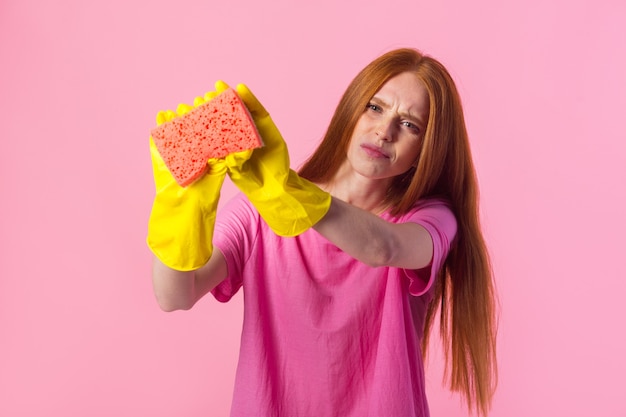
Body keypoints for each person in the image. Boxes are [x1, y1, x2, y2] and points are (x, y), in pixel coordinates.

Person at [147, 48, 498, 417]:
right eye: (375, 107)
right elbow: (176, 296)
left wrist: (291, 197)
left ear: (428, 148)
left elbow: (384, 247)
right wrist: (179, 208)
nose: (385, 131)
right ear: (351, 109)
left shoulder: (432, 220)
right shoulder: (258, 210)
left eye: (410, 124)